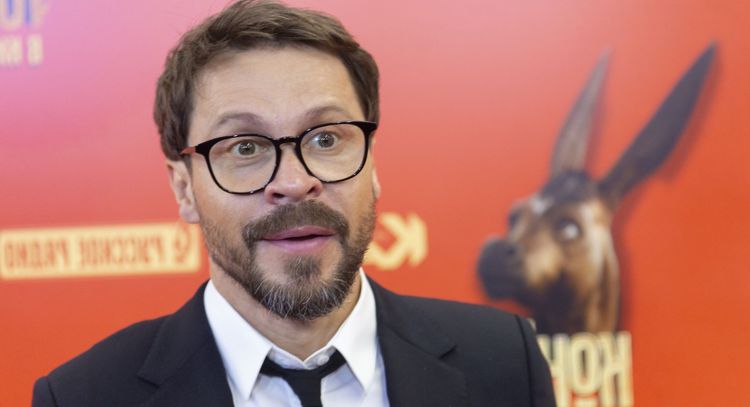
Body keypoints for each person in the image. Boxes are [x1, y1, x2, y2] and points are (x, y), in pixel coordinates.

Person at [32, 1, 555, 406]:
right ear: (184, 189)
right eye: (245, 148)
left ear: (372, 164)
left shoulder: (503, 360)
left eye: (326, 139)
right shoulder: (84, 396)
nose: (295, 182)